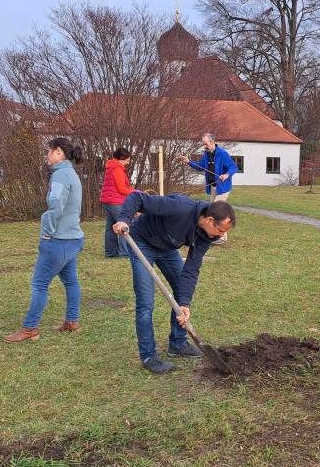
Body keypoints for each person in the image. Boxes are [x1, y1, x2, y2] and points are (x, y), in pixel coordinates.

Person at [112, 192, 235, 375]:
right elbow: (137, 199)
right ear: (209, 220)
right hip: (143, 242)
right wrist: (123, 219)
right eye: (221, 230)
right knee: (146, 302)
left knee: (180, 290)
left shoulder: (207, 236)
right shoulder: (179, 207)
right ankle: (148, 356)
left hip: (167, 249)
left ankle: (177, 344)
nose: (222, 236)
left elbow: (192, 268)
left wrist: (184, 303)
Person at [5, 138, 85, 342]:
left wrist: (47, 232)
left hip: (58, 240)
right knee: (71, 281)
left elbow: (56, 205)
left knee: (39, 284)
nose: (46, 156)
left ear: (59, 152)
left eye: (49, 151)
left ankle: (30, 328)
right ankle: (72, 321)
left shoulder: (60, 176)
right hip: (73, 238)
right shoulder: (72, 174)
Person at [176, 133, 238, 202]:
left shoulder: (223, 154)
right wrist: (188, 162)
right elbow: (200, 167)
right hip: (213, 187)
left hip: (222, 188)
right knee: (212, 209)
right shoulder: (206, 154)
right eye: (203, 144)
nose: (204, 147)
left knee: (216, 209)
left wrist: (226, 175)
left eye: (206, 144)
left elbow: (233, 167)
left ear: (212, 142)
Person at [99, 147, 134, 258]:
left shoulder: (111, 166)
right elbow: (122, 189)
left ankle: (110, 253)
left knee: (110, 227)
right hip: (115, 201)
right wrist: (136, 192)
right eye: (127, 159)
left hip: (108, 200)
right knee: (124, 225)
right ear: (122, 158)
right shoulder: (117, 169)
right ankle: (124, 253)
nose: (128, 162)